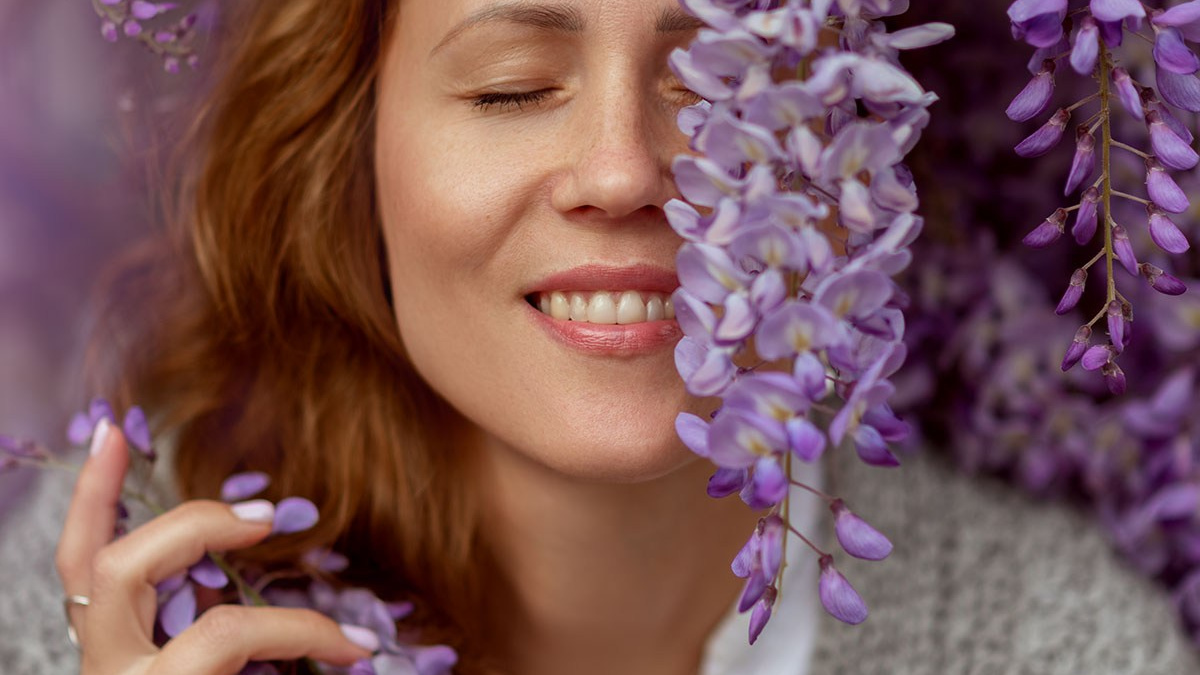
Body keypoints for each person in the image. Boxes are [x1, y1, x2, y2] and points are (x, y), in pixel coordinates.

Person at [17, 0, 1200, 674]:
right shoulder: (106, 596)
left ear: (870, 153)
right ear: (350, 158)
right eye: (512, 88)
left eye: (719, 89)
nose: (625, 171)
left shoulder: (1058, 645)